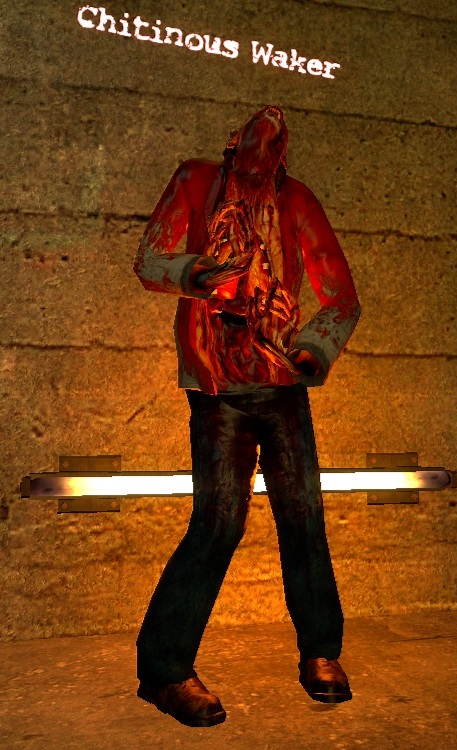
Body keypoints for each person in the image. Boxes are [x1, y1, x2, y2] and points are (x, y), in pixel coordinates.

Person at [133, 105, 361, 728]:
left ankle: (320, 650)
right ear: (232, 150)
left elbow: (341, 298)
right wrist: (197, 273)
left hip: (280, 383)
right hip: (217, 386)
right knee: (218, 522)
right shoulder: (196, 181)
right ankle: (165, 670)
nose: (258, 176)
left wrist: (310, 351)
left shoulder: (297, 201)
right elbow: (150, 260)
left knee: (303, 517)